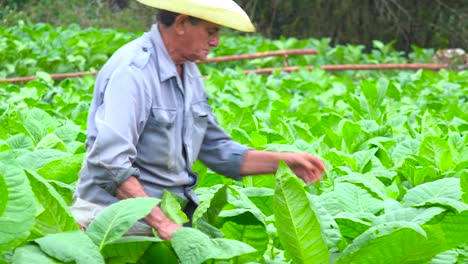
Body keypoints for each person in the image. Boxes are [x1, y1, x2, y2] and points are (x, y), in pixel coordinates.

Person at [71, 0, 326, 240]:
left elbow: (217, 150)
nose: (216, 42)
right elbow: (109, 162)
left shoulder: (188, 71)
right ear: (181, 23)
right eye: (210, 31)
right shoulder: (133, 72)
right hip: (116, 220)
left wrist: (284, 162)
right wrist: (163, 224)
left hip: (167, 216)